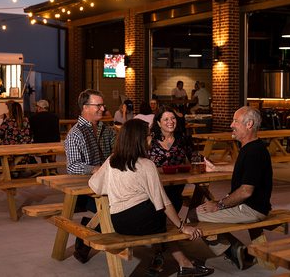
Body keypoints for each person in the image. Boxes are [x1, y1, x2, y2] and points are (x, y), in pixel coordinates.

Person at [89, 119, 214, 277]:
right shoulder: (146, 165)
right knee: (167, 214)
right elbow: (162, 202)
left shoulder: (112, 160)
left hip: (119, 222)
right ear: (138, 140)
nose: (151, 139)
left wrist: (117, 187)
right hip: (142, 221)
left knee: (161, 217)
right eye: (148, 136)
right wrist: (183, 227)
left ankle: (184, 263)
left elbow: (95, 186)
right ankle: (184, 264)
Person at [190, 106, 272, 270]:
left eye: (235, 121)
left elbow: (245, 191)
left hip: (251, 209)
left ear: (249, 124)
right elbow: (242, 168)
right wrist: (216, 169)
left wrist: (219, 204)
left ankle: (232, 250)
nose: (231, 125)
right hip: (250, 206)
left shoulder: (254, 151)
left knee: (194, 215)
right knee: (201, 208)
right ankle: (236, 250)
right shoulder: (250, 147)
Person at [64, 89, 115, 263]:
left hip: (109, 182)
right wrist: (95, 169)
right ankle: (86, 235)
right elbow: (72, 167)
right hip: (87, 187)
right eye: (98, 105)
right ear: (85, 107)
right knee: (112, 211)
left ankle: (88, 230)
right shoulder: (75, 134)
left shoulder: (106, 130)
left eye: (103, 105)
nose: (103, 108)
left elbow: (117, 151)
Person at [149, 106, 193, 212]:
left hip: (176, 187)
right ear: (159, 123)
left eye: (173, 118)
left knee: (176, 200)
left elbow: (195, 159)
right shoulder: (150, 141)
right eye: (166, 119)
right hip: (155, 188)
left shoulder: (183, 140)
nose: (171, 122)